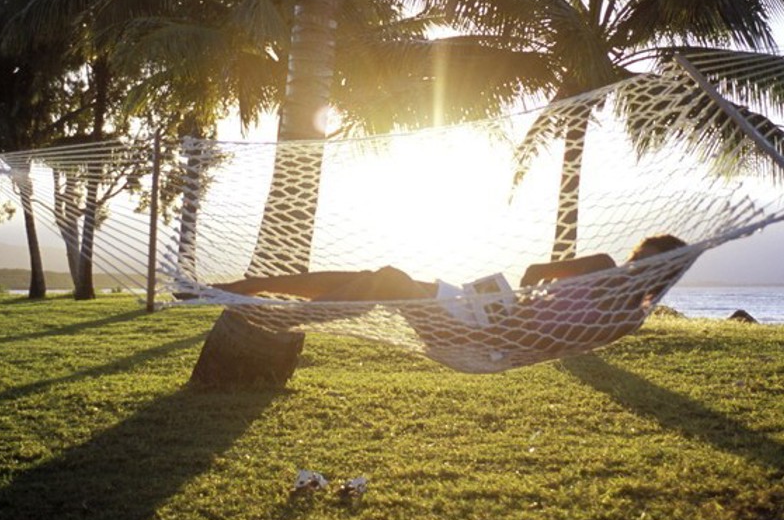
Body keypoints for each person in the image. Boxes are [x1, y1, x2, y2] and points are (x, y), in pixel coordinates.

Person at [212, 233, 686, 304]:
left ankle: (255, 292)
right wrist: (536, 295)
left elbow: (534, 274)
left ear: (659, 275)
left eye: (646, 264)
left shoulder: (624, 311)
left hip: (492, 326)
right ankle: (248, 287)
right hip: (490, 310)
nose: (634, 265)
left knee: (384, 279)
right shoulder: (604, 272)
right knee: (377, 279)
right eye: (638, 257)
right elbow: (531, 273)